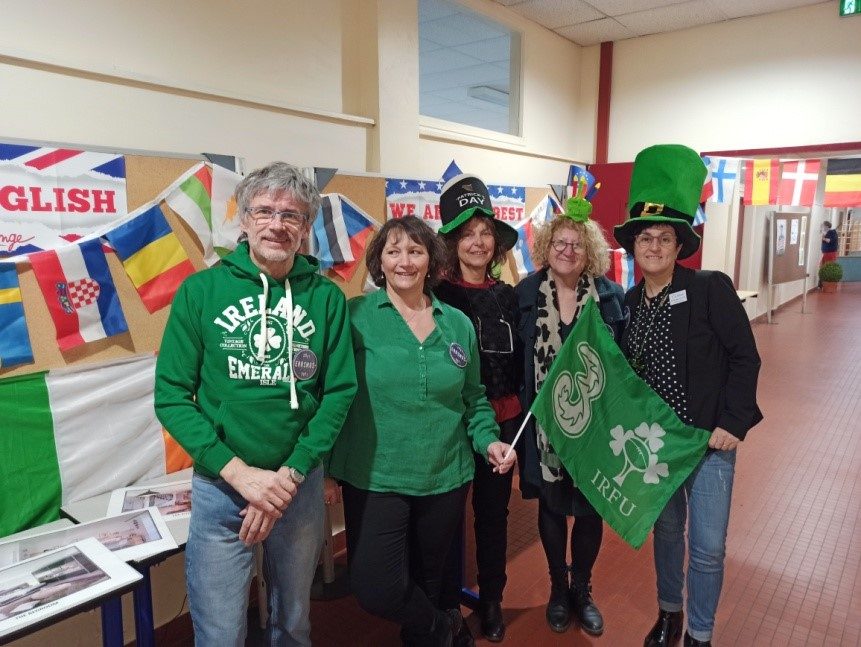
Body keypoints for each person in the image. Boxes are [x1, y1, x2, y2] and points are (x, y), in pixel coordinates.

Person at [154, 162, 357, 646]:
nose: (277, 224)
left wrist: (288, 477)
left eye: (291, 215)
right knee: (220, 631)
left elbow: (339, 392)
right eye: (264, 211)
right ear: (243, 220)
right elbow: (173, 397)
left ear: (306, 228)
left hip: (298, 485)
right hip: (221, 486)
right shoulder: (201, 292)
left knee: (293, 622)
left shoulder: (326, 299)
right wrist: (239, 474)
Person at [327, 215, 516, 647]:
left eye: (415, 251)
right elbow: (331, 393)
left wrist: (488, 441)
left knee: (431, 581)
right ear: (379, 261)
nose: (405, 261)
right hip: (376, 476)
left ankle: (428, 635)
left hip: (445, 474)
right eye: (393, 251)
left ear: (432, 260)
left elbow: (473, 399)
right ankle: (441, 628)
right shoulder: (354, 317)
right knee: (376, 586)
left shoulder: (457, 324)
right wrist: (326, 467)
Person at [613, 144, 762, 647]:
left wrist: (733, 423)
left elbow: (746, 357)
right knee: (668, 535)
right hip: (658, 447)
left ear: (680, 246)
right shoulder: (629, 304)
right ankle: (669, 614)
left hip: (707, 445)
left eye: (664, 237)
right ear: (634, 246)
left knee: (707, 549)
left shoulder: (709, 290)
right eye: (645, 237)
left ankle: (700, 633)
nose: (653, 245)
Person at [515, 193, 626, 637]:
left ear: (590, 252)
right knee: (551, 506)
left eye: (577, 245)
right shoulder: (524, 294)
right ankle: (558, 589)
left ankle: (582, 588)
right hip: (543, 427)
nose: (567, 251)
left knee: (590, 509)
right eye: (559, 243)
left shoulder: (611, 296)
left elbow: (624, 363)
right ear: (546, 247)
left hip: (596, 425)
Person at [434, 174, 522, 643]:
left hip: (502, 422)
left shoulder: (509, 295)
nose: (478, 241)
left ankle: (491, 601)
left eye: (485, 231)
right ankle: (446, 606)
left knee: (493, 517)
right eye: (467, 233)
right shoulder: (434, 296)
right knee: (445, 517)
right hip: (450, 424)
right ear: (452, 241)